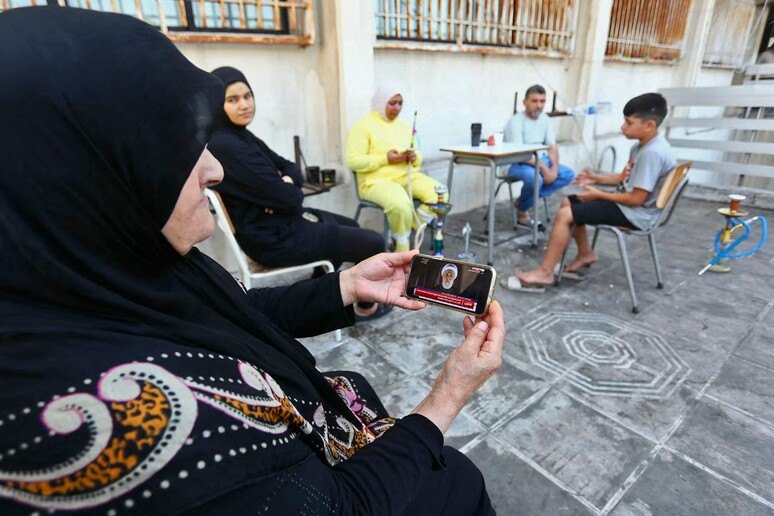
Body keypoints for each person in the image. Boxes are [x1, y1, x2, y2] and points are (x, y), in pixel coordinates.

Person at [0, 8, 505, 515]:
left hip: (322, 406)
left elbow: (236, 311)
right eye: (177, 147)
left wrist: (345, 288)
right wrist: (448, 395)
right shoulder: (131, 427)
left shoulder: (120, 273)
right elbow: (342, 508)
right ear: (85, 174)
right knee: (458, 478)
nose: (214, 169)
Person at [207, 66, 384, 273]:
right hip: (272, 239)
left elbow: (290, 167)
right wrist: (284, 191)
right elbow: (291, 198)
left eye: (248, 96)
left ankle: (322, 292)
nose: (244, 105)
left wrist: (287, 182)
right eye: (233, 100)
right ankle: (364, 306)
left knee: (351, 226)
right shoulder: (228, 147)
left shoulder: (242, 136)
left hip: (283, 221)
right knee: (373, 243)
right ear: (218, 104)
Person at [513, 92, 676, 287]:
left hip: (637, 213)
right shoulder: (643, 146)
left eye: (628, 123)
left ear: (649, 125)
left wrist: (598, 194)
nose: (622, 127)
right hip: (628, 206)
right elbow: (625, 178)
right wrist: (595, 178)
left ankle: (545, 272)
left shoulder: (652, 153)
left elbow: (636, 199)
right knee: (569, 202)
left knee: (566, 214)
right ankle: (585, 253)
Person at [346, 86, 443, 252]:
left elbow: (418, 159)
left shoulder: (404, 127)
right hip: (375, 182)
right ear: (380, 102)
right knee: (401, 204)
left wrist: (413, 157)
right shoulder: (363, 126)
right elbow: (353, 161)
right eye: (392, 103)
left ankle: (410, 227)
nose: (397, 108)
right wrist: (385, 158)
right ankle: (402, 246)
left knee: (440, 194)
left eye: (400, 103)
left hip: (407, 176)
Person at [503, 84, 575, 229]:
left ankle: (523, 201)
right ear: (525, 102)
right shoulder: (516, 122)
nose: (539, 105)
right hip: (517, 162)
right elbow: (519, 154)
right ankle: (523, 213)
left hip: (540, 160)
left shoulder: (545, 119)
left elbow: (552, 146)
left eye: (542, 101)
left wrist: (553, 169)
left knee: (567, 174)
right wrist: (544, 168)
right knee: (536, 179)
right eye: (534, 101)